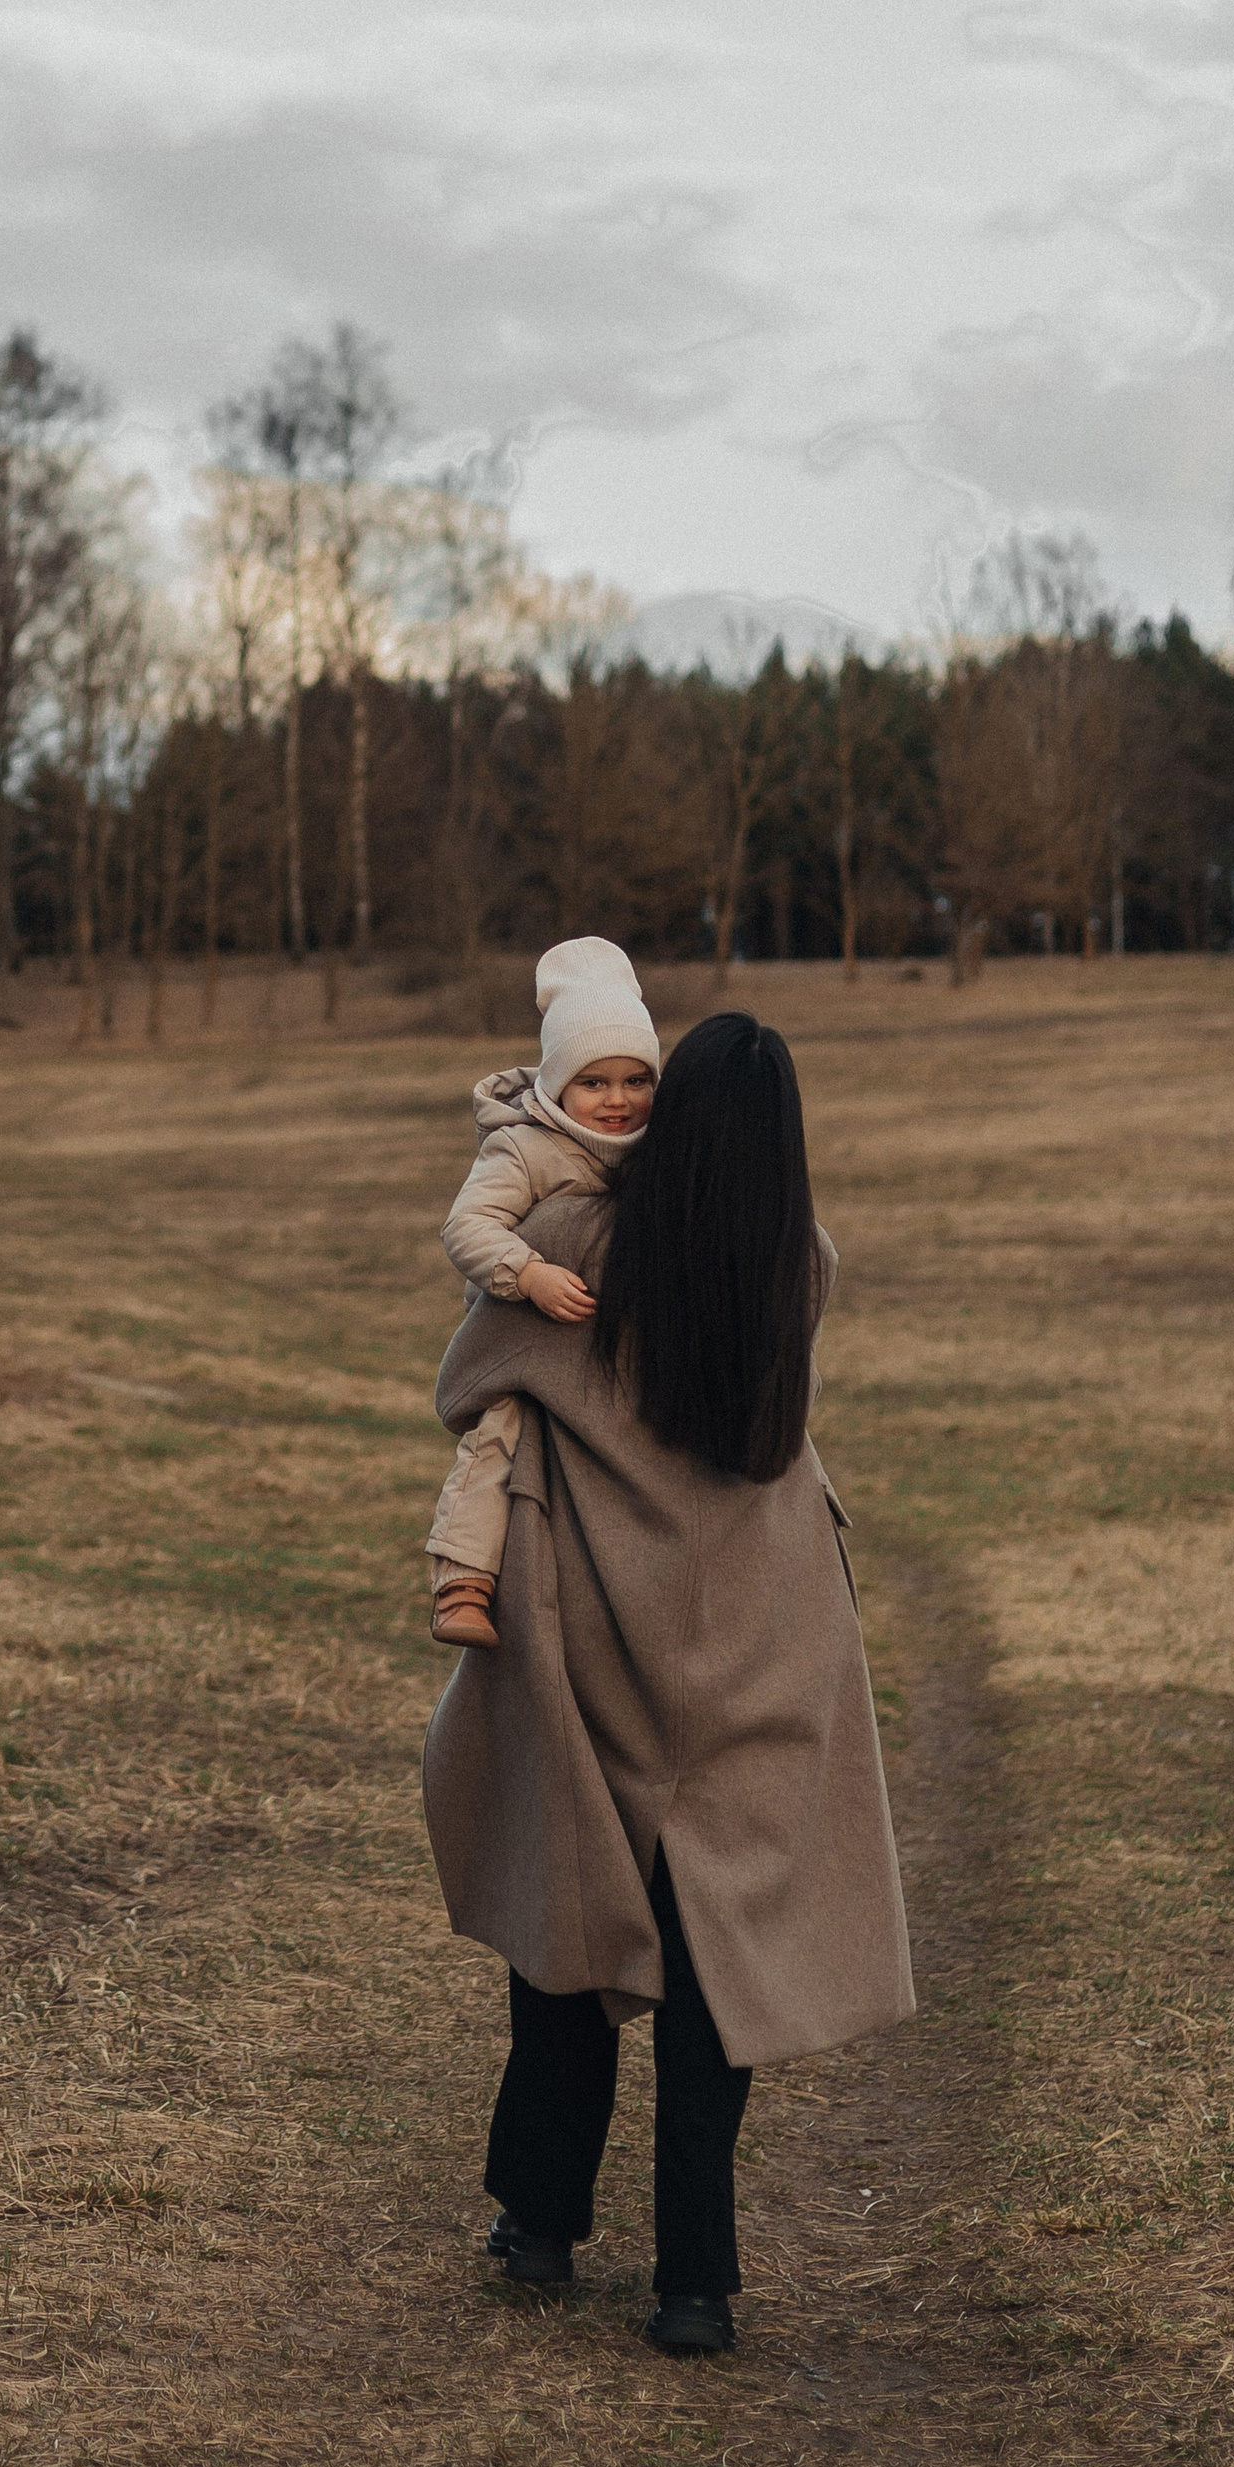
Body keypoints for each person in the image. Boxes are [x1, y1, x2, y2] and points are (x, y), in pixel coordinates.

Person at [420, 1008, 912, 2357]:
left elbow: (474, 1376)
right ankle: (695, 2280)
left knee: (569, 1906)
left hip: (596, 1619)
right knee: (718, 1952)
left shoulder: (573, 1241)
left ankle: (540, 2221)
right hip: (766, 1625)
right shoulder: (799, 1262)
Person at [426, 938, 659, 1654]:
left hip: (606, 1341)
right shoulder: (524, 1148)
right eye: (594, 1082)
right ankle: (462, 1578)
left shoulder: (658, 1148)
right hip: (524, 1325)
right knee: (503, 1430)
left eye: (636, 1080)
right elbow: (466, 1226)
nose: (617, 1100)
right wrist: (528, 1273)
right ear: (558, 1084)